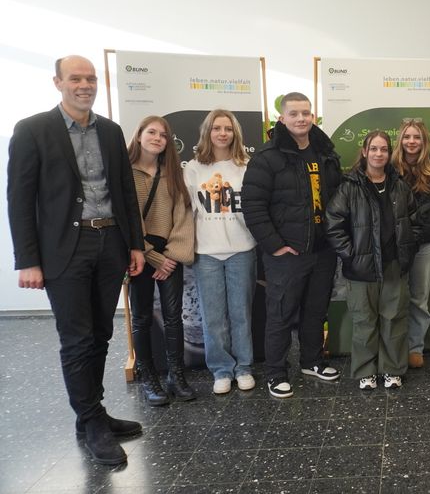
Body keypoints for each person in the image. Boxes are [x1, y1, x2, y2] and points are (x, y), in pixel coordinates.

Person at [7, 55, 145, 465]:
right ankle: (91, 422)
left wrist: (135, 244)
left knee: (102, 333)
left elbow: (123, 191)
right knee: (77, 339)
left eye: (90, 78)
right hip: (65, 249)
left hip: (111, 243)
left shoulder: (111, 130)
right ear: (58, 82)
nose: (84, 84)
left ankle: (92, 414)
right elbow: (19, 200)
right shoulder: (33, 130)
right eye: (75, 78)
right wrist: (27, 260)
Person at [242, 92, 342, 399]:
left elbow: (338, 199)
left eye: (306, 113)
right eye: (294, 113)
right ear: (282, 119)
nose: (301, 118)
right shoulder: (267, 157)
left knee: (316, 310)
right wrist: (275, 246)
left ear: (313, 116)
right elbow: (252, 206)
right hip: (286, 253)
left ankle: (312, 361)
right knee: (281, 313)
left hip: (322, 250)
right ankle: (275, 372)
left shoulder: (325, 153)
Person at [325, 130, 418, 390]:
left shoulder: (399, 185)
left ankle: (392, 369)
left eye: (384, 149)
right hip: (361, 269)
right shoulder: (349, 186)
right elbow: (333, 224)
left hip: (394, 266)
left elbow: (414, 220)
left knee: (394, 320)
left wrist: (407, 250)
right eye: (374, 149)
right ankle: (365, 370)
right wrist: (350, 255)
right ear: (365, 152)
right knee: (364, 321)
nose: (379, 154)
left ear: (390, 154)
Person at [184, 109, 257, 395]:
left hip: (242, 249)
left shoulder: (247, 165)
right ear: (208, 132)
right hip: (207, 253)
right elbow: (186, 211)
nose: (223, 133)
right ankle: (221, 370)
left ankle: (244, 367)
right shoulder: (193, 168)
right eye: (217, 128)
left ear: (235, 133)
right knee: (213, 316)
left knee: (241, 313)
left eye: (228, 128)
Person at [127, 116, 196, 406]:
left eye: (163, 134)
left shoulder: (173, 174)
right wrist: (151, 256)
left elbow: (183, 216)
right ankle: (149, 377)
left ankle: (176, 375)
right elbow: (126, 218)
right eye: (151, 132)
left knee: (173, 317)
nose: (157, 138)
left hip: (170, 254)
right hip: (139, 255)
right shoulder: (125, 174)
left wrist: (170, 256)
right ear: (139, 135)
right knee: (142, 318)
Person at [391, 118, 430, 369]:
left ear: (424, 141)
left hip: (424, 247)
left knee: (419, 299)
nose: (411, 141)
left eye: (416, 137)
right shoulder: (388, 170)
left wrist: (425, 232)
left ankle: (415, 348)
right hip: (392, 244)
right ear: (400, 140)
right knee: (392, 298)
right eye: (407, 136)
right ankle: (392, 349)